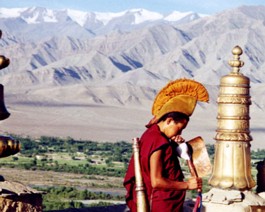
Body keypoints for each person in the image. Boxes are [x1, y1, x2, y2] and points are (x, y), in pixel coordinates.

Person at [123, 78, 209, 212]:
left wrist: (174, 146)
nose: (180, 132)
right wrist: (186, 185)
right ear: (169, 120)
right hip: (160, 204)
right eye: (179, 128)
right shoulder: (157, 140)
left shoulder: (153, 135)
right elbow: (157, 181)